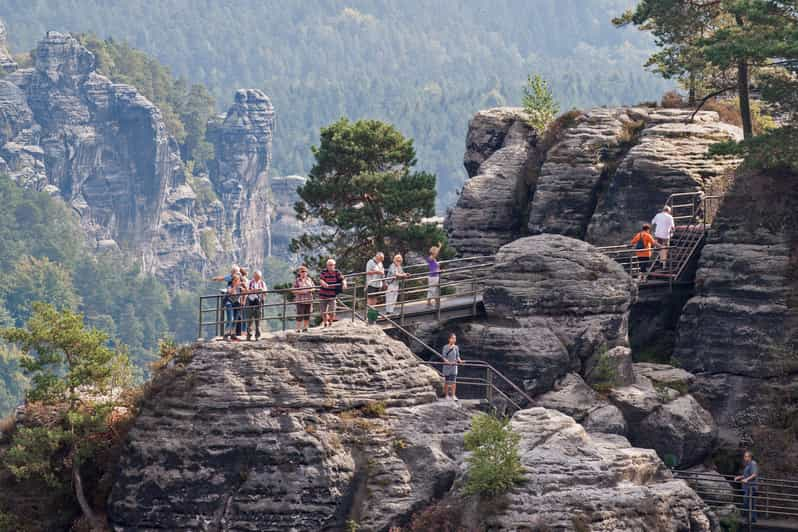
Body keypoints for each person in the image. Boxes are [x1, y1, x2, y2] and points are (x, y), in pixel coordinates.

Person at [319, 258, 346, 327]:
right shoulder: (324, 272)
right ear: (327, 266)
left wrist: (344, 283)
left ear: (334, 265)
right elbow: (321, 279)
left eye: (332, 265)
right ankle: (325, 322)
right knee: (323, 311)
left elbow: (342, 278)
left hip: (332, 295)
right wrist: (323, 283)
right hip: (323, 295)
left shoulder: (337, 272)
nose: (330, 266)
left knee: (332, 310)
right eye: (329, 265)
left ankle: (330, 322)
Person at [735, 450, 759, 523]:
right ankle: (753, 518)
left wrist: (746, 480)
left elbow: (754, 474)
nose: (744, 457)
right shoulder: (748, 464)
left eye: (746, 456)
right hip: (747, 487)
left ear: (750, 457)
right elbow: (747, 474)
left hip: (751, 487)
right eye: (744, 456)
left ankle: (749, 519)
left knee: (747, 503)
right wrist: (740, 477)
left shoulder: (753, 464)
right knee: (751, 503)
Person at [292, 265, 315, 332]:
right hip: (300, 300)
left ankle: (305, 327)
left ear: (307, 272)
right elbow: (293, 290)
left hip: (309, 299)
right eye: (302, 271)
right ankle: (298, 328)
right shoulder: (297, 281)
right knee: (300, 314)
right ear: (299, 273)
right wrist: (301, 291)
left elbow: (314, 287)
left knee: (307, 314)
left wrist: (310, 290)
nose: (303, 273)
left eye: (305, 271)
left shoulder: (309, 279)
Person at [246, 270, 267, 340]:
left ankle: (257, 335)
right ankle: (249, 335)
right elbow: (246, 291)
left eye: (259, 277)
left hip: (259, 301)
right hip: (250, 301)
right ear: (254, 276)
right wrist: (255, 290)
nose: (257, 278)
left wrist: (262, 291)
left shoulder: (262, 283)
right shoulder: (249, 282)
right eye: (256, 277)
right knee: (249, 319)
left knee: (258, 319)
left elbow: (265, 292)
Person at [441, 333, 462, 401]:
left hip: (454, 366)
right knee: (447, 381)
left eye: (455, 338)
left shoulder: (456, 347)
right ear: (449, 339)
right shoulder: (445, 347)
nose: (454, 340)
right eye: (452, 338)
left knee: (453, 382)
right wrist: (448, 362)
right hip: (447, 366)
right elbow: (444, 357)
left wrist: (460, 361)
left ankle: (453, 395)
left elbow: (457, 356)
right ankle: (446, 395)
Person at [366, 252, 385, 323]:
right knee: (370, 300)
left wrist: (383, 281)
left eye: (382, 259)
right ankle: (368, 316)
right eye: (380, 259)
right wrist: (377, 272)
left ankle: (372, 315)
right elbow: (368, 272)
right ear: (377, 257)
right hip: (371, 283)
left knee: (375, 300)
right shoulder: (370, 262)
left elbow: (382, 272)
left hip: (378, 284)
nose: (381, 260)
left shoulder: (380, 263)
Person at [223, 274, 244, 341]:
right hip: (229, 303)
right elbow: (230, 292)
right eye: (236, 280)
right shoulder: (230, 286)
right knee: (230, 319)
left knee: (235, 319)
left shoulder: (240, 287)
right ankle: (226, 335)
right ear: (233, 281)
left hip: (236, 304)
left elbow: (246, 292)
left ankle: (233, 334)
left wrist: (245, 287)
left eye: (238, 280)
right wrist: (235, 286)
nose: (238, 281)